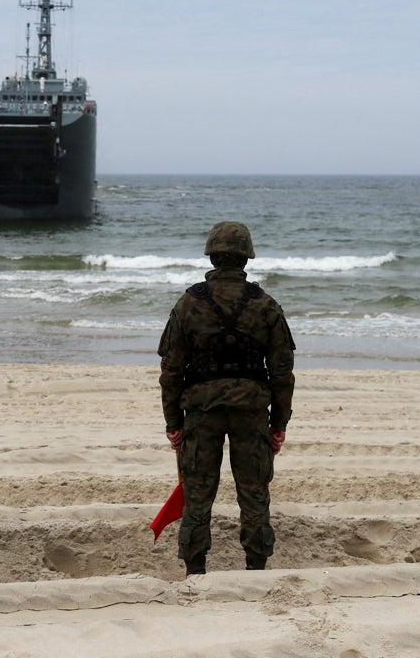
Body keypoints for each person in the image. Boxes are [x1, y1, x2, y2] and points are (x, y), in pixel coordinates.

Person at [157, 221, 295, 575]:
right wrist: (278, 425)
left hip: (201, 412)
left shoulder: (188, 303)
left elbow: (171, 371)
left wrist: (173, 423)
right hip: (251, 411)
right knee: (254, 494)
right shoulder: (265, 305)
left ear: (212, 255)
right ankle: (256, 567)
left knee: (198, 495)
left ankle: (195, 569)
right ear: (246, 257)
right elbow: (282, 374)